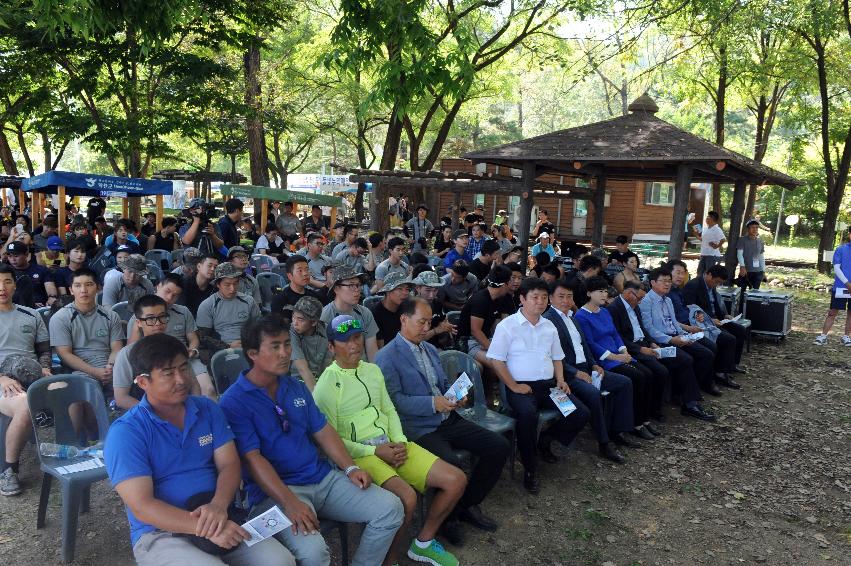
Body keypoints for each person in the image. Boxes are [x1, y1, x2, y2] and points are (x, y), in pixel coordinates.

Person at [219, 315, 404, 565]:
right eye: (275, 346)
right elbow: (252, 459)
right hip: (276, 493)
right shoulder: (234, 401)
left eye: (287, 344)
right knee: (314, 553)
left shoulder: (294, 386)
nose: (285, 353)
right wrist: (290, 502)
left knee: (390, 508)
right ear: (252, 353)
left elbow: (323, 430)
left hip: (321, 477)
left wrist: (350, 467)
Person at [105, 333, 295, 566]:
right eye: (168, 373)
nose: (181, 379)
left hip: (220, 512)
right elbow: (143, 506)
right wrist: (204, 527)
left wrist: (218, 506)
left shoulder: (206, 409)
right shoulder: (127, 432)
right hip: (162, 533)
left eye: (184, 368)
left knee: (280, 561)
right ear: (143, 382)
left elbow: (229, 464)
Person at [315, 314, 466, 566]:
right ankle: (389, 560)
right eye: (344, 341)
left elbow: (388, 410)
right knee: (406, 498)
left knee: (456, 480)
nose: (353, 345)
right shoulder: (326, 386)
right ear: (331, 347)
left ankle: (423, 543)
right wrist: (375, 452)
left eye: (357, 338)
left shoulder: (372, 370)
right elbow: (331, 440)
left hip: (394, 444)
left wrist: (399, 442)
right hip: (361, 455)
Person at [376, 297, 510, 534]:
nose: (427, 328)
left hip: (448, 417)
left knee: (498, 446)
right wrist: (432, 403)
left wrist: (454, 396)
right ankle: (445, 521)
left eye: (429, 322)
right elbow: (394, 401)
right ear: (404, 320)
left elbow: (442, 383)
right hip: (418, 427)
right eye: (421, 322)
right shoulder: (386, 356)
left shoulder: (429, 348)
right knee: (452, 465)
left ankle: (462, 506)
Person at [487, 277, 590, 494]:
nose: (540, 302)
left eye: (544, 297)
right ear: (522, 299)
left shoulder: (549, 326)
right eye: (535, 297)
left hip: (548, 386)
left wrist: (561, 380)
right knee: (527, 415)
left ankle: (544, 440)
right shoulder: (508, 326)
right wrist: (513, 386)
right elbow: (497, 360)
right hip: (520, 388)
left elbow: (557, 358)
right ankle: (530, 470)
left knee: (578, 413)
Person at [543, 278, 633, 464]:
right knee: (591, 396)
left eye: (569, 296)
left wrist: (593, 364)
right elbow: (551, 357)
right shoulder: (548, 321)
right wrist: (575, 373)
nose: (566, 300)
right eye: (561, 296)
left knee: (624, 382)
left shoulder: (572, 318)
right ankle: (603, 443)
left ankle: (617, 430)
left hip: (585, 368)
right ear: (550, 298)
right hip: (567, 374)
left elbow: (584, 346)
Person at [573, 276, 661, 441]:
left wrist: (624, 350)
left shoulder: (605, 311)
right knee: (637, 377)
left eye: (605, 291)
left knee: (648, 374)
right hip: (604, 360)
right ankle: (632, 423)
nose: (604, 294)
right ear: (588, 293)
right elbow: (590, 344)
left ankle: (642, 419)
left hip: (619, 355)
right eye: (600, 291)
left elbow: (615, 334)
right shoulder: (581, 316)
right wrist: (616, 357)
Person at [608, 281, 703, 420]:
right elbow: (619, 337)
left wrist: (652, 343)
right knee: (660, 370)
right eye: (639, 298)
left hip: (647, 344)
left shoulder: (635, 306)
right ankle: (653, 410)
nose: (640, 301)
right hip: (632, 349)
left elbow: (643, 329)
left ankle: (688, 401)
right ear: (629, 294)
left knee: (684, 358)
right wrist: (642, 349)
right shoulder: (614, 308)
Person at [0, 264, 51, 496]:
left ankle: (77, 452)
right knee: (24, 406)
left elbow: (43, 350)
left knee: (74, 392)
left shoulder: (31, 315)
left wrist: (46, 368)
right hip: (3, 379)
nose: (2, 288)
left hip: (33, 374)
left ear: (14, 284)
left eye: (7, 281)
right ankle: (9, 470)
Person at [638, 267, 720, 404]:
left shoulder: (667, 300)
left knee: (707, 354)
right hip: (661, 341)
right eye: (663, 281)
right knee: (686, 359)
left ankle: (690, 390)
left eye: (669, 281)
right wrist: (671, 339)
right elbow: (648, 329)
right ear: (652, 282)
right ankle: (689, 399)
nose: (667, 284)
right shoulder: (647, 301)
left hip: (677, 336)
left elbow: (674, 322)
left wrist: (686, 334)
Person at [127, 274, 216, 399]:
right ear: (158, 286)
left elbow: (193, 338)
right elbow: (131, 348)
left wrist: (193, 350)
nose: (169, 298)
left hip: (184, 356)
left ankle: (206, 416)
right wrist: (137, 329)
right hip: (154, 360)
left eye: (175, 295)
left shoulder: (183, 311)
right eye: (167, 291)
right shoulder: (142, 314)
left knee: (208, 389)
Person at [113, 295, 204, 410]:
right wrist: (158, 413)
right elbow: (121, 398)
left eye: (162, 317)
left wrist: (192, 409)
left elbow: (194, 385)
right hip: (146, 415)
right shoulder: (127, 354)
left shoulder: (176, 347)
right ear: (139, 322)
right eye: (150, 319)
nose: (158, 323)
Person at [50, 268, 124, 396]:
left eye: (89, 284)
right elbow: (64, 354)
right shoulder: (60, 318)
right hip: (80, 368)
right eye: (78, 286)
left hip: (110, 365)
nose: (83, 290)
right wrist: (95, 372)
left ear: (98, 288)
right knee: (82, 392)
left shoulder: (111, 316)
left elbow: (117, 348)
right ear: (71, 290)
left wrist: (110, 367)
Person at [682, 264, 748, 379]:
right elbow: (691, 309)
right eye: (716, 282)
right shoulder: (693, 286)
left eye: (719, 283)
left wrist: (725, 315)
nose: (717, 285)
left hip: (716, 319)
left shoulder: (711, 285)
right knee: (729, 339)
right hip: (702, 322)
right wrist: (710, 319)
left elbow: (715, 304)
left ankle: (733, 364)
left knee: (740, 330)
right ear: (709, 275)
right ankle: (720, 372)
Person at [319, 265, 380, 361]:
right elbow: (326, 358)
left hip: (364, 369)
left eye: (358, 285)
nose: (357, 289)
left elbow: (372, 350)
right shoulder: (325, 317)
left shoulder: (365, 313)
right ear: (336, 289)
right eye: (351, 285)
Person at [456, 265, 513, 367]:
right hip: (468, 342)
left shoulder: (498, 298)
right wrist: (492, 348)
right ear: (505, 284)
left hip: (485, 339)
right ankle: (494, 383)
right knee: (498, 362)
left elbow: (497, 325)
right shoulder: (480, 300)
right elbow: (475, 331)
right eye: (511, 281)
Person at [196, 263, 261, 348]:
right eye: (227, 285)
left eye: (235, 283)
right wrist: (228, 346)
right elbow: (203, 337)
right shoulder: (207, 305)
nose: (232, 289)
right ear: (218, 285)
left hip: (249, 345)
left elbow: (259, 327)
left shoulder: (249, 301)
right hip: (221, 349)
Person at [815, 228, 851, 346]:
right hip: (840, 287)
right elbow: (836, 268)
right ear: (850, 235)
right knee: (832, 312)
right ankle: (823, 336)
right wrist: (847, 283)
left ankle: (846, 337)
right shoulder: (841, 249)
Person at [287, 296, 331, 390]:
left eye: (300, 319)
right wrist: (316, 397)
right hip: (296, 381)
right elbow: (302, 368)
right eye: (293, 317)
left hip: (321, 379)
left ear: (314, 322)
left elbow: (328, 365)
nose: (295, 322)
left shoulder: (326, 330)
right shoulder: (290, 331)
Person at [6, 240, 57, 308]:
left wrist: (51, 298)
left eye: (16, 256)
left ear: (27, 255)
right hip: (14, 307)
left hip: (40, 308)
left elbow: (50, 287)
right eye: (9, 256)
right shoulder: (5, 271)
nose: (12, 259)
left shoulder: (41, 270)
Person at [369, 273, 413, 347]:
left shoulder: (406, 308)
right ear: (387, 290)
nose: (405, 293)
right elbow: (381, 347)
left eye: (407, 289)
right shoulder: (375, 314)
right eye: (399, 289)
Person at [736, 219, 765, 290]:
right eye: (752, 227)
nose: (755, 229)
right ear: (748, 229)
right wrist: (742, 267)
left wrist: (763, 270)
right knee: (741, 292)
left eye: (756, 227)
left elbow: (761, 256)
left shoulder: (760, 241)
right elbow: (739, 254)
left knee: (754, 294)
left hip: (758, 271)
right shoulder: (742, 240)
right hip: (746, 271)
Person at [696, 211, 726, 276]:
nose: (706, 218)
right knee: (700, 272)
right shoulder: (705, 228)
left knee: (709, 273)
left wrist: (717, 246)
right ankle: (701, 285)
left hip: (711, 255)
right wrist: (696, 235)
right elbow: (703, 240)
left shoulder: (717, 229)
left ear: (713, 219)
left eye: (708, 217)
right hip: (704, 253)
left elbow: (723, 239)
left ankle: (710, 286)